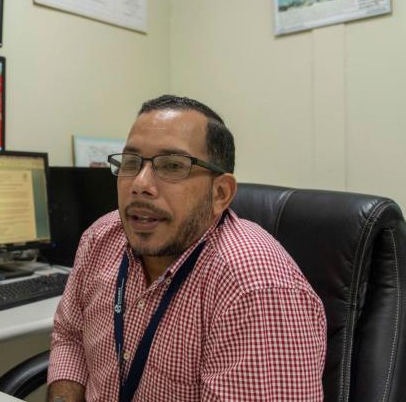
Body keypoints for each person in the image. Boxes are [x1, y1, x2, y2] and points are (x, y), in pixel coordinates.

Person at [48, 95, 326, 402]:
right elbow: (70, 338)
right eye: (131, 163)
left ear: (220, 193)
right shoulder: (101, 238)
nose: (140, 184)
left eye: (171, 166)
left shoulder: (255, 287)